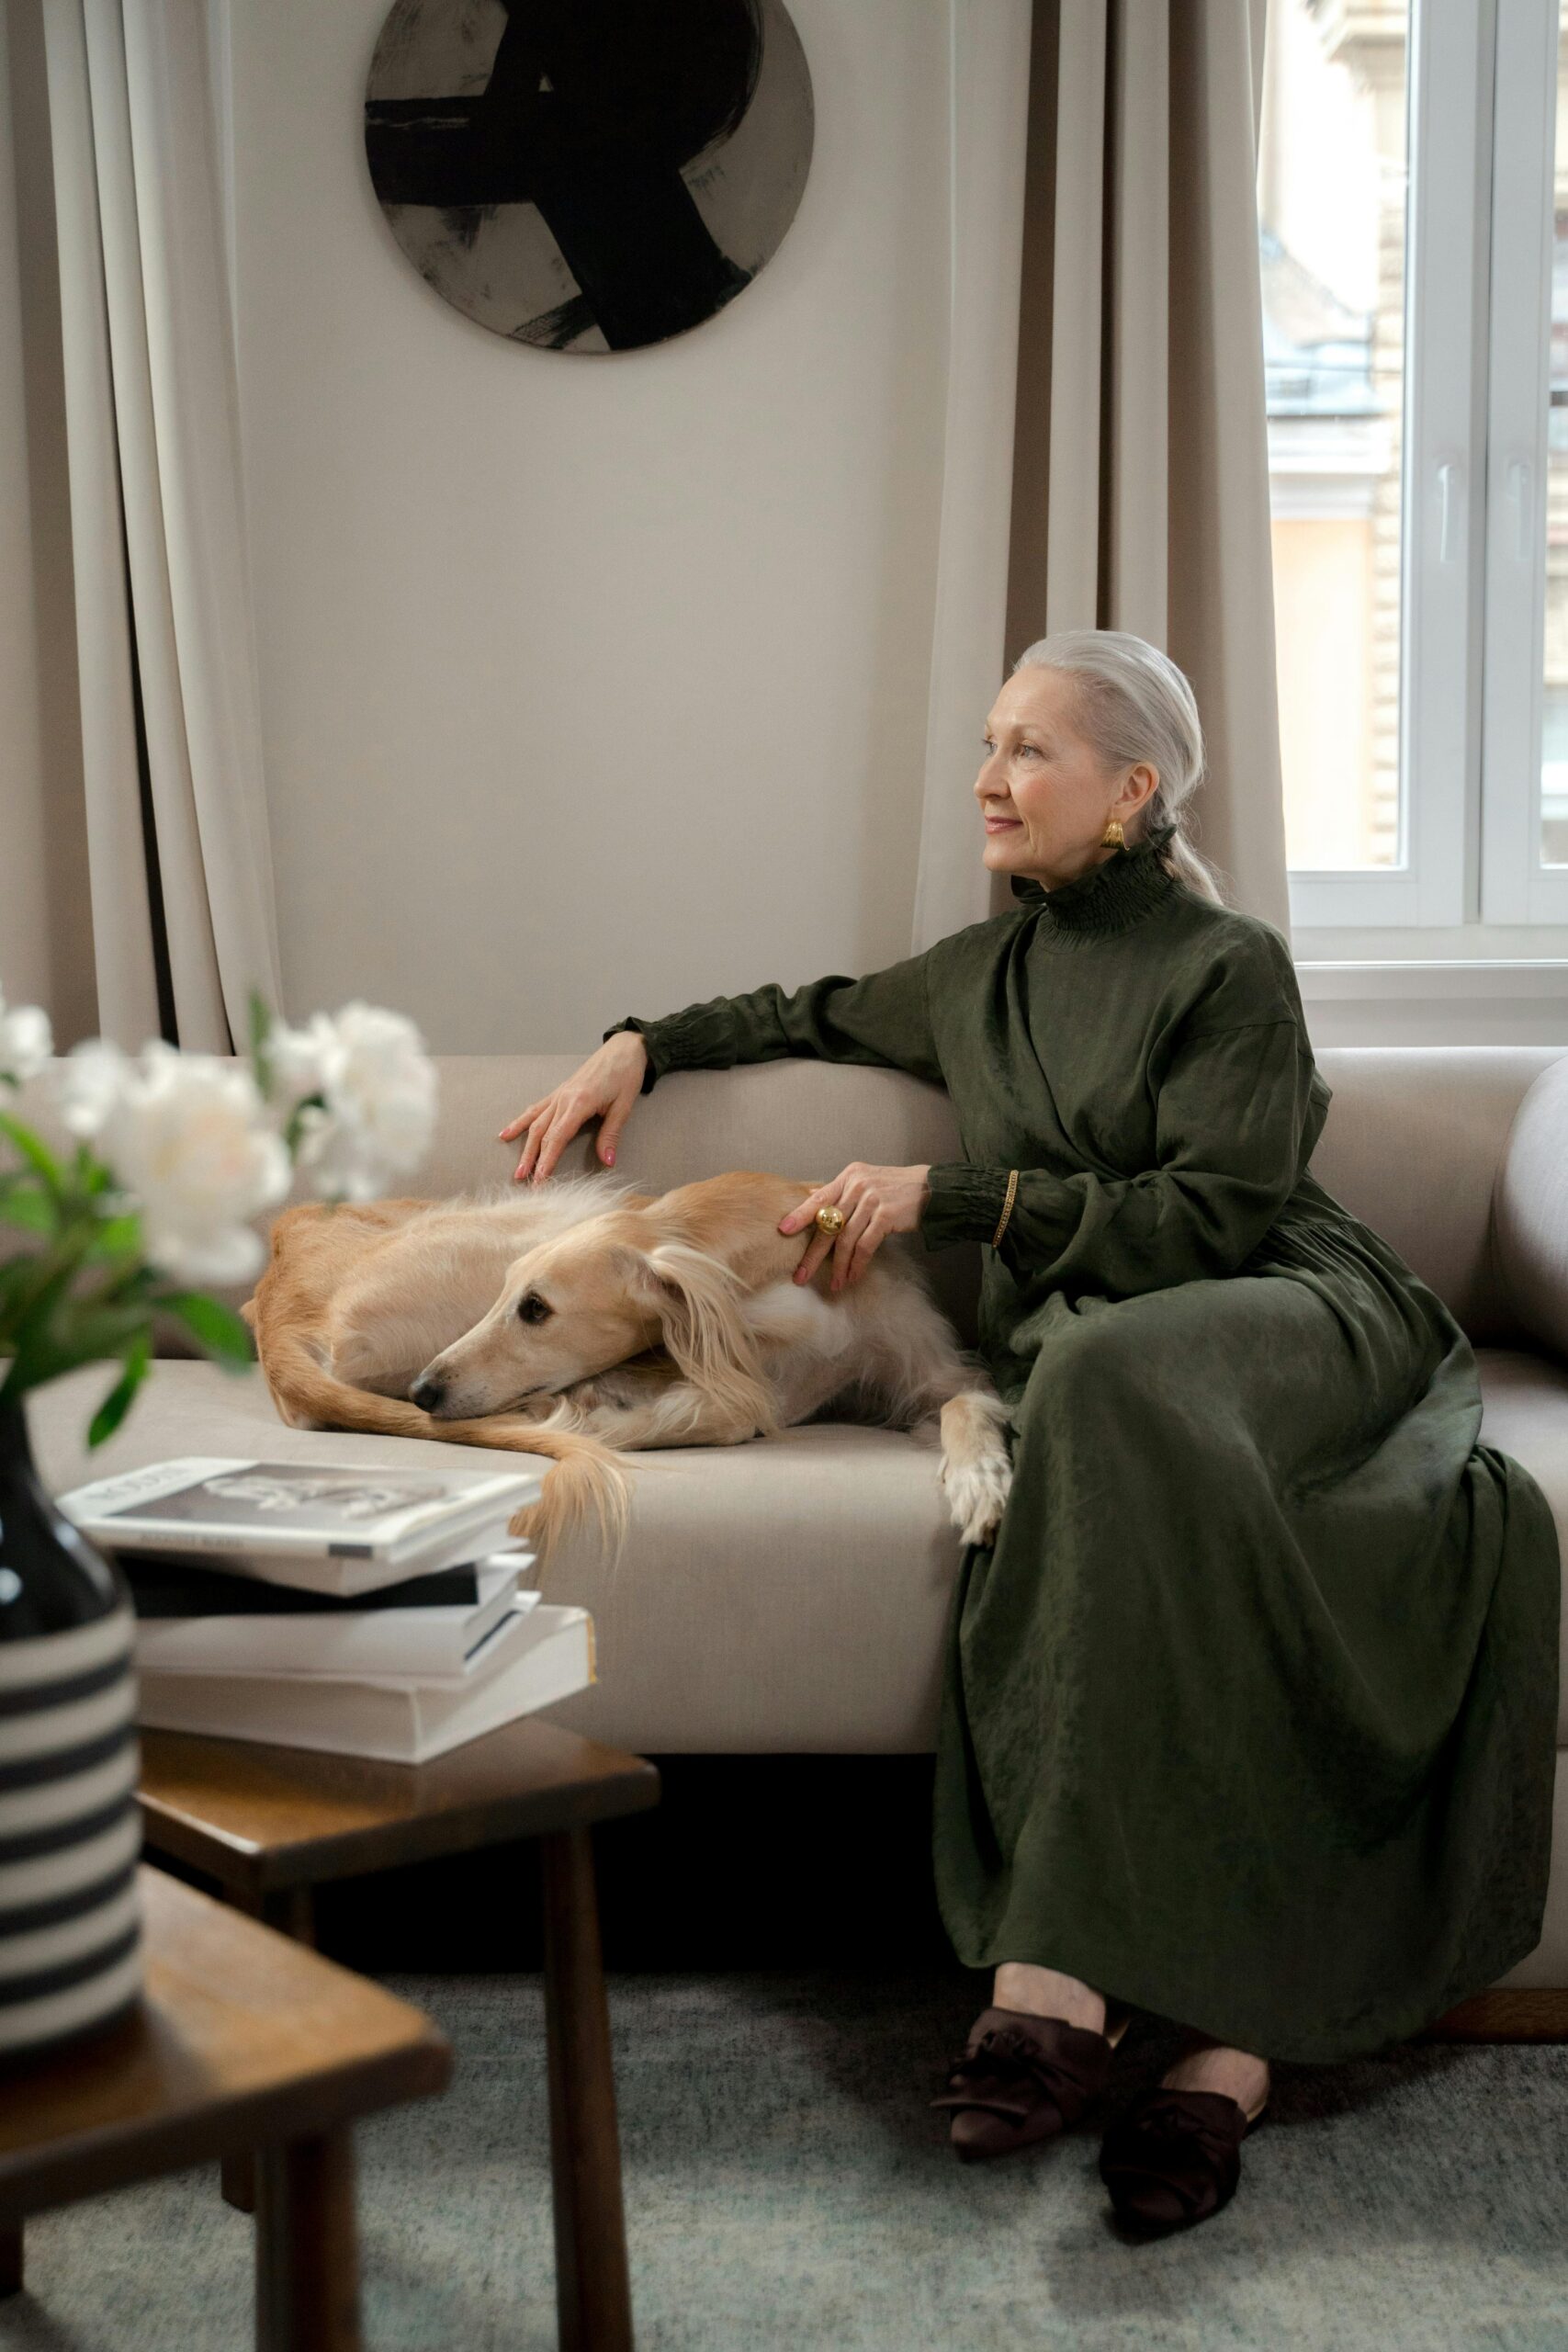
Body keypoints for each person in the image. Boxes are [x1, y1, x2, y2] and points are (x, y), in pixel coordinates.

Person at [497, 628, 1561, 2236]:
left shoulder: (1230, 967)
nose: (989, 780)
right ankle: (1215, 2037)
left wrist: (962, 1194)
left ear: (1133, 791)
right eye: (989, 745)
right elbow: (811, 1006)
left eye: (1031, 752)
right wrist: (640, 1040)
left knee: (1103, 1389)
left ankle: (1073, 1991)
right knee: (1092, 1392)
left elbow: (1219, 1211)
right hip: (1109, 1342)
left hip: (1285, 1305)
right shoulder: (978, 975)